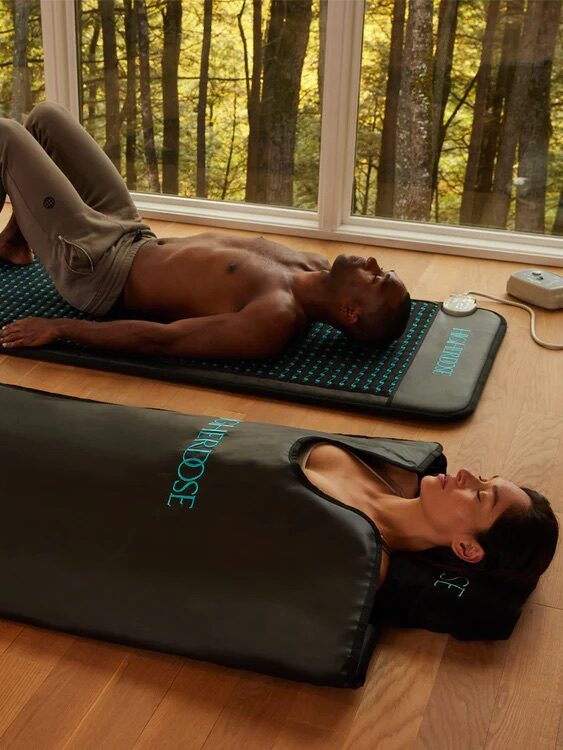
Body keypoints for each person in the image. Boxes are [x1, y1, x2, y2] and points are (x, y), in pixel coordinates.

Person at [0, 102, 411, 360]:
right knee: (44, 119)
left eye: (376, 278)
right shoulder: (312, 262)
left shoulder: (275, 318)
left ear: (349, 312)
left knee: (6, 136)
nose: (373, 263)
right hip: (131, 231)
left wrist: (59, 327)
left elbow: (164, 341)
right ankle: (15, 243)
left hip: (97, 269)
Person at [301, 441, 558, 589]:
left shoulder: (365, 560)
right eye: (483, 479)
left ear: (467, 548)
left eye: (480, 495)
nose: (465, 474)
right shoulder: (399, 470)